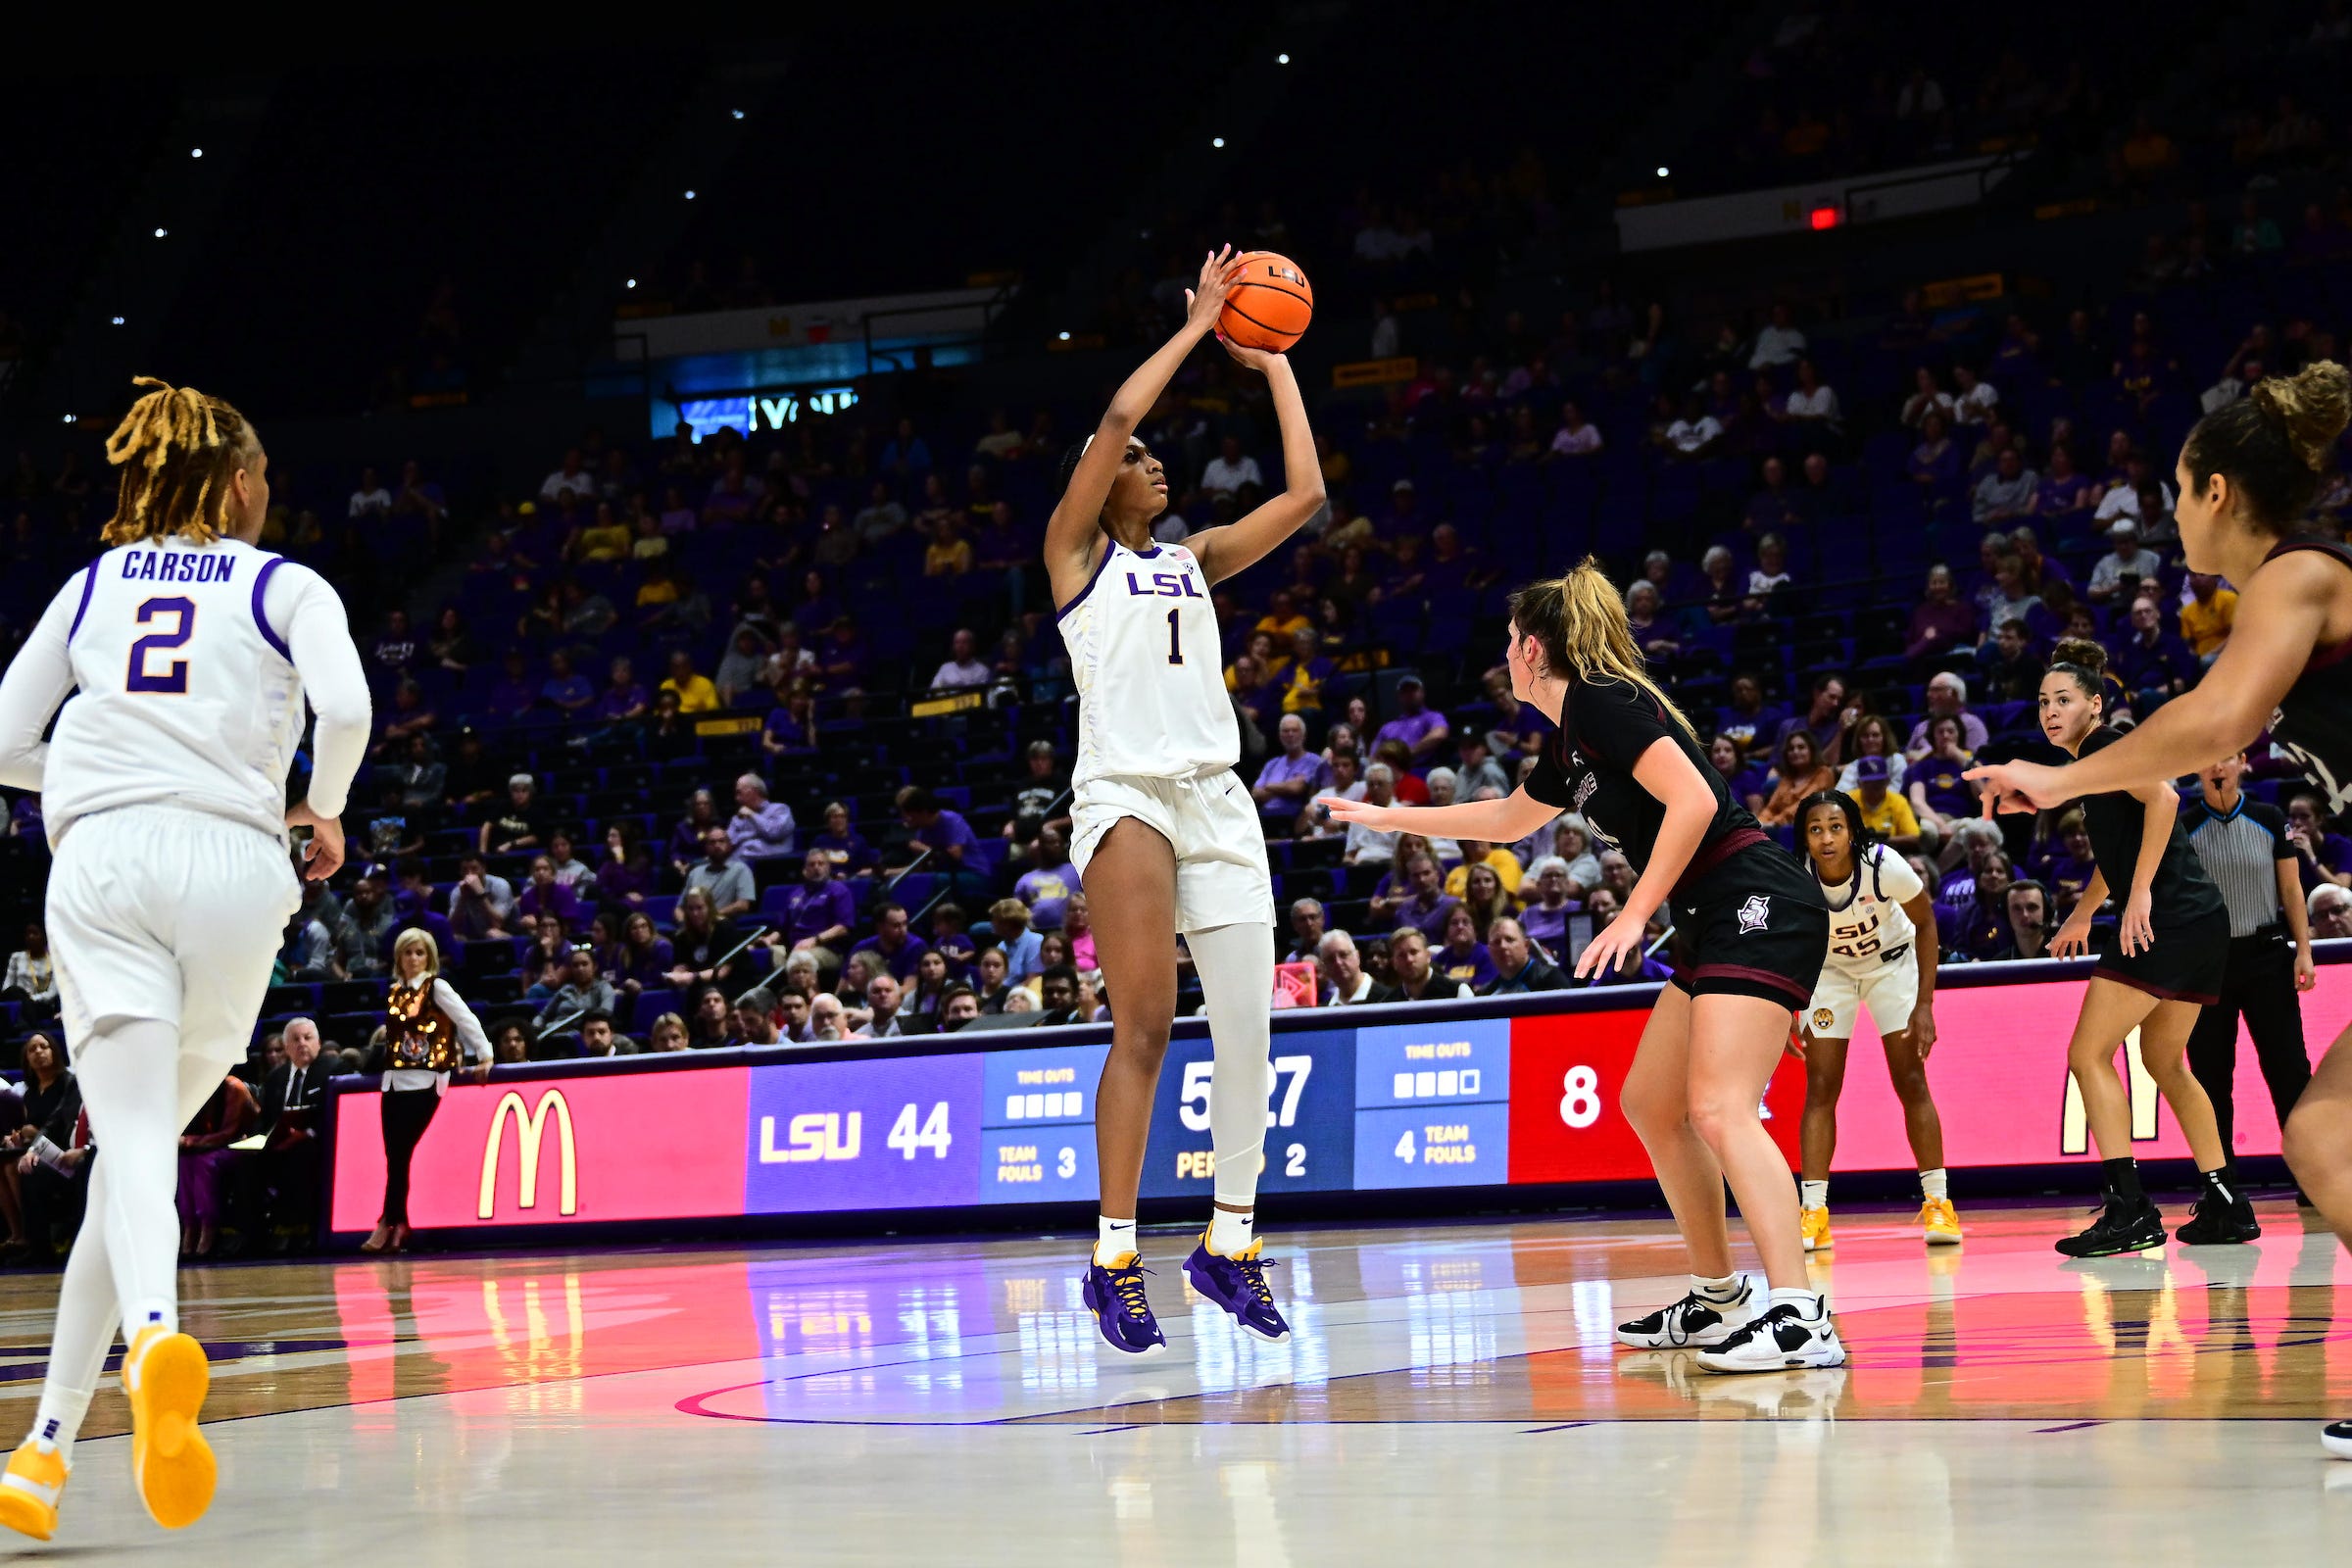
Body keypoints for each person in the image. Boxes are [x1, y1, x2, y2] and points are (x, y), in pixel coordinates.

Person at [0, 377, 370, 1538]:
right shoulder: (285, 583)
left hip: (106, 860)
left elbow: (6, 735)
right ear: (239, 481)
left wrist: (90, 782)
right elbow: (348, 706)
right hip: (233, 863)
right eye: (264, 476)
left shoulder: (95, 583)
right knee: (139, 1147)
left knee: (132, 1153)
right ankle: (49, 1447)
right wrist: (324, 806)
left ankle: (136, 1359)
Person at [1323, 564, 1840, 1373]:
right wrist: (1390, 816)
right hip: (1712, 915)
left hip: (1755, 899)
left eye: (1507, 643)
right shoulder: (1571, 741)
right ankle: (1718, 1299)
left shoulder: (1607, 699)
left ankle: (1801, 1313)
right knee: (1651, 1104)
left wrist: (1635, 913)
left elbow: (1695, 803)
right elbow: (1505, 817)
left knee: (1721, 1107)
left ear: (1532, 650)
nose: (1503, 655)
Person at [1962, 366, 2352, 1436]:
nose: (2172, 511)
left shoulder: (2298, 572)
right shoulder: (2295, 583)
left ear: (2214, 491)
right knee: (2320, 1138)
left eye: (2178, 492)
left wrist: (2054, 777)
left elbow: (2215, 720)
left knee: (2322, 1134)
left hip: (2173, 917)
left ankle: (2140, 1199)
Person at [1043, 245, 1323, 1356]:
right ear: (1102, 482)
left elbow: (1306, 494)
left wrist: (1274, 362)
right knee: (1148, 1024)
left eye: (1159, 457)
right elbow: (1116, 416)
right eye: (1139, 461)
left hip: (1216, 796)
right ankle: (1113, 1256)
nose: (1154, 464)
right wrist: (1202, 320)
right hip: (1126, 795)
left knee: (1250, 1029)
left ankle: (1230, 1243)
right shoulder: (1074, 557)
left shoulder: (1196, 559)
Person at [2024, 642, 2252, 1254]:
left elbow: (2167, 799)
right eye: (2044, 701)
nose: (2050, 711)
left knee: (2088, 1054)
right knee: (2164, 1060)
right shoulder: (2094, 765)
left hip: (2170, 919)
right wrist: (2082, 911)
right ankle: (2226, 1198)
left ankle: (2129, 1208)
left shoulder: (2102, 747)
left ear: (2093, 705)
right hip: (2201, 921)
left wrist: (2141, 894)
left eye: (2064, 700)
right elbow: (2117, 850)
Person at [1788, 791, 1954, 1253]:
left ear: (1852, 830)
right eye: (1815, 828)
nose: (1826, 838)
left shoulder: (1884, 866)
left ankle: (1939, 1202)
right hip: (1829, 973)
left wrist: (1924, 1003)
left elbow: (1927, 923)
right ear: (1804, 836)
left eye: (1835, 827)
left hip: (1892, 965)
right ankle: (1814, 1213)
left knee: (1910, 1080)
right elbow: (1787, 944)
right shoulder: (1797, 877)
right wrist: (1788, 1006)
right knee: (1821, 1086)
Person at [2181, 753, 2317, 1164]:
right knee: (2210, 1078)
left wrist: (2304, 951)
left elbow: (2291, 891)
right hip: (2207, 965)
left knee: (2289, 1069)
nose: (2216, 768)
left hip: (2267, 957)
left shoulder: (2270, 817)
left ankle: (2310, 1174)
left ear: (2242, 762)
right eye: (2206, 760)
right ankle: (2220, 1185)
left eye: (2224, 759)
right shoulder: (2182, 827)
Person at [369, 930, 491, 1256]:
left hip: (426, 1080)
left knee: (401, 1155)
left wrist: (484, 1053)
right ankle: (399, 1223)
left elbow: (464, 1018)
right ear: (398, 957)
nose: (413, 959)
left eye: (419, 953)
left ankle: (387, 1222)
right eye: (407, 953)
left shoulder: (436, 986)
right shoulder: (395, 991)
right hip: (393, 1081)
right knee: (395, 1157)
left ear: (430, 957)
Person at [1481, 917, 1567, 994]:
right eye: (1496, 942)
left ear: (1526, 946)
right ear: (1489, 950)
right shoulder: (1486, 993)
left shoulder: (1551, 981)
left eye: (1509, 939)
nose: (1503, 946)